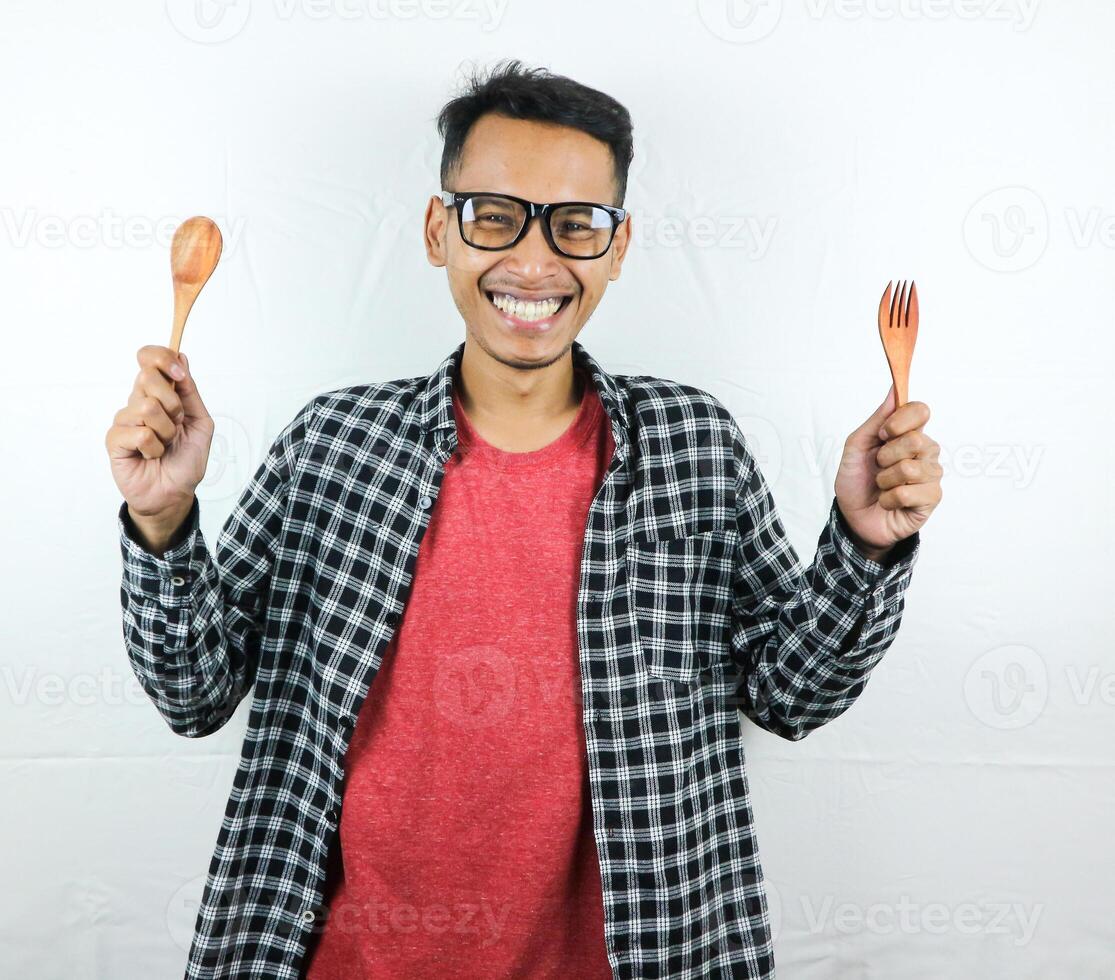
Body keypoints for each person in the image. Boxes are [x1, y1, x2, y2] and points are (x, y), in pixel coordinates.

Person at [104, 59, 942, 980]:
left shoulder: (691, 447)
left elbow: (793, 696)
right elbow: (194, 695)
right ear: (439, 230)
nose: (533, 262)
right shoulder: (333, 446)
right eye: (493, 215)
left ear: (617, 248)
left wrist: (864, 543)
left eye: (577, 224)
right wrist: (165, 518)